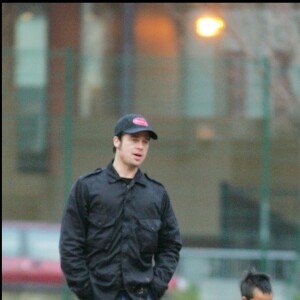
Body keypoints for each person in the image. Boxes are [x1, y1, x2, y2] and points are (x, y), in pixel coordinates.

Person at [59, 113, 182, 300]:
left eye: (145, 142)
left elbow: (171, 245)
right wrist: (86, 291)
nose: (140, 146)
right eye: (134, 139)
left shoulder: (157, 194)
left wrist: (155, 288)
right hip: (98, 294)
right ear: (117, 141)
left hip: (142, 295)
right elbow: (70, 245)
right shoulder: (87, 187)